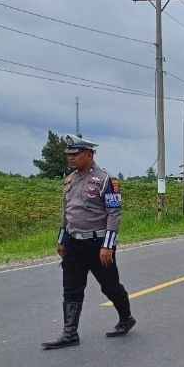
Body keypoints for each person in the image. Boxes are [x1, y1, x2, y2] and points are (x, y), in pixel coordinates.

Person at [42, 135, 136, 350]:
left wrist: (108, 246)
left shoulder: (106, 181)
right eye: (69, 155)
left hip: (98, 244)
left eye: (75, 155)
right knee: (71, 288)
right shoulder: (69, 179)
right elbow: (67, 213)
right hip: (74, 244)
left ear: (90, 154)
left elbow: (114, 213)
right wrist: (61, 240)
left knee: (110, 286)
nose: (71, 158)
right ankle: (69, 333)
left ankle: (126, 318)